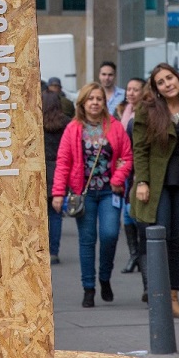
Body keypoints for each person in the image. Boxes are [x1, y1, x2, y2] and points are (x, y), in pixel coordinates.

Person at [130, 62, 179, 318]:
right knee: (159, 236)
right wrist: (142, 181)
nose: (167, 84)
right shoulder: (147, 110)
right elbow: (139, 149)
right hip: (158, 182)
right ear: (156, 89)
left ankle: (173, 294)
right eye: (161, 82)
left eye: (170, 78)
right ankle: (157, 293)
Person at [52, 82, 132, 308]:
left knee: (109, 235)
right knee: (87, 241)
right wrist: (58, 193)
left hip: (109, 192)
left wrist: (118, 179)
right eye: (90, 99)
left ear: (104, 103)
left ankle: (104, 277)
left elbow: (127, 156)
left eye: (98, 99)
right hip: (83, 194)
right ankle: (88, 288)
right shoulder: (73, 128)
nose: (95, 102)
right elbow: (63, 162)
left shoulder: (115, 127)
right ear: (83, 103)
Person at [115, 77, 145, 274]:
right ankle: (134, 253)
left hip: (138, 169)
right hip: (125, 168)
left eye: (135, 89)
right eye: (129, 89)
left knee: (132, 212)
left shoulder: (144, 114)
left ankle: (139, 254)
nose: (131, 93)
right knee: (126, 214)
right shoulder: (124, 111)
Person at [42, 90, 70, 265]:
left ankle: (41, 248)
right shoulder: (66, 123)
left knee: (41, 214)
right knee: (56, 214)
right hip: (59, 170)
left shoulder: (35, 122)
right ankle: (54, 251)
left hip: (41, 170)